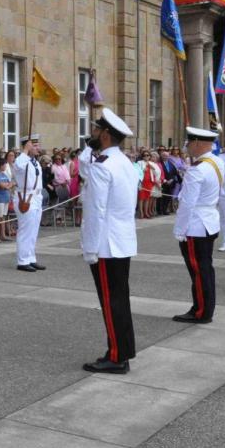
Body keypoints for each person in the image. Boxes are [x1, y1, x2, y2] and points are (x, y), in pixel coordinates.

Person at [79, 108, 138, 374]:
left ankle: (116, 357)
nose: (91, 133)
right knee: (119, 299)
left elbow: (96, 212)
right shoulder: (123, 162)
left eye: (95, 129)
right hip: (122, 240)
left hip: (106, 244)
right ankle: (121, 350)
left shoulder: (103, 166)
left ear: (104, 134)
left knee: (111, 301)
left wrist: (90, 248)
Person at [173, 127, 223, 324]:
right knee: (205, 269)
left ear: (198, 143)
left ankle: (201, 311)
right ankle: (204, 308)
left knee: (199, 272)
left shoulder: (197, 169)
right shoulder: (216, 162)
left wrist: (180, 229)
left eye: (189, 143)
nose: (187, 146)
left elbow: (187, 203)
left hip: (195, 225)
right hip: (209, 220)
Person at [14, 135, 46, 272]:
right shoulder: (22, 160)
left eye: (38, 145)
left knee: (33, 231)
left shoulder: (34, 161)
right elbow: (18, 165)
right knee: (25, 231)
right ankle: (22, 261)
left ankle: (31, 258)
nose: (38, 148)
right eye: (35, 145)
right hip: (25, 197)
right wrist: (25, 151)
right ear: (28, 146)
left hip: (36, 197)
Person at [158, 149, 180, 215]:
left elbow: (175, 173)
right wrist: (165, 180)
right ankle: (160, 210)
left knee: (168, 197)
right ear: (162, 156)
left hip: (170, 183)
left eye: (167, 156)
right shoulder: (160, 164)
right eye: (164, 155)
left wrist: (172, 179)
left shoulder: (171, 164)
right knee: (161, 197)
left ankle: (165, 210)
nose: (166, 157)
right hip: (163, 183)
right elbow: (159, 173)